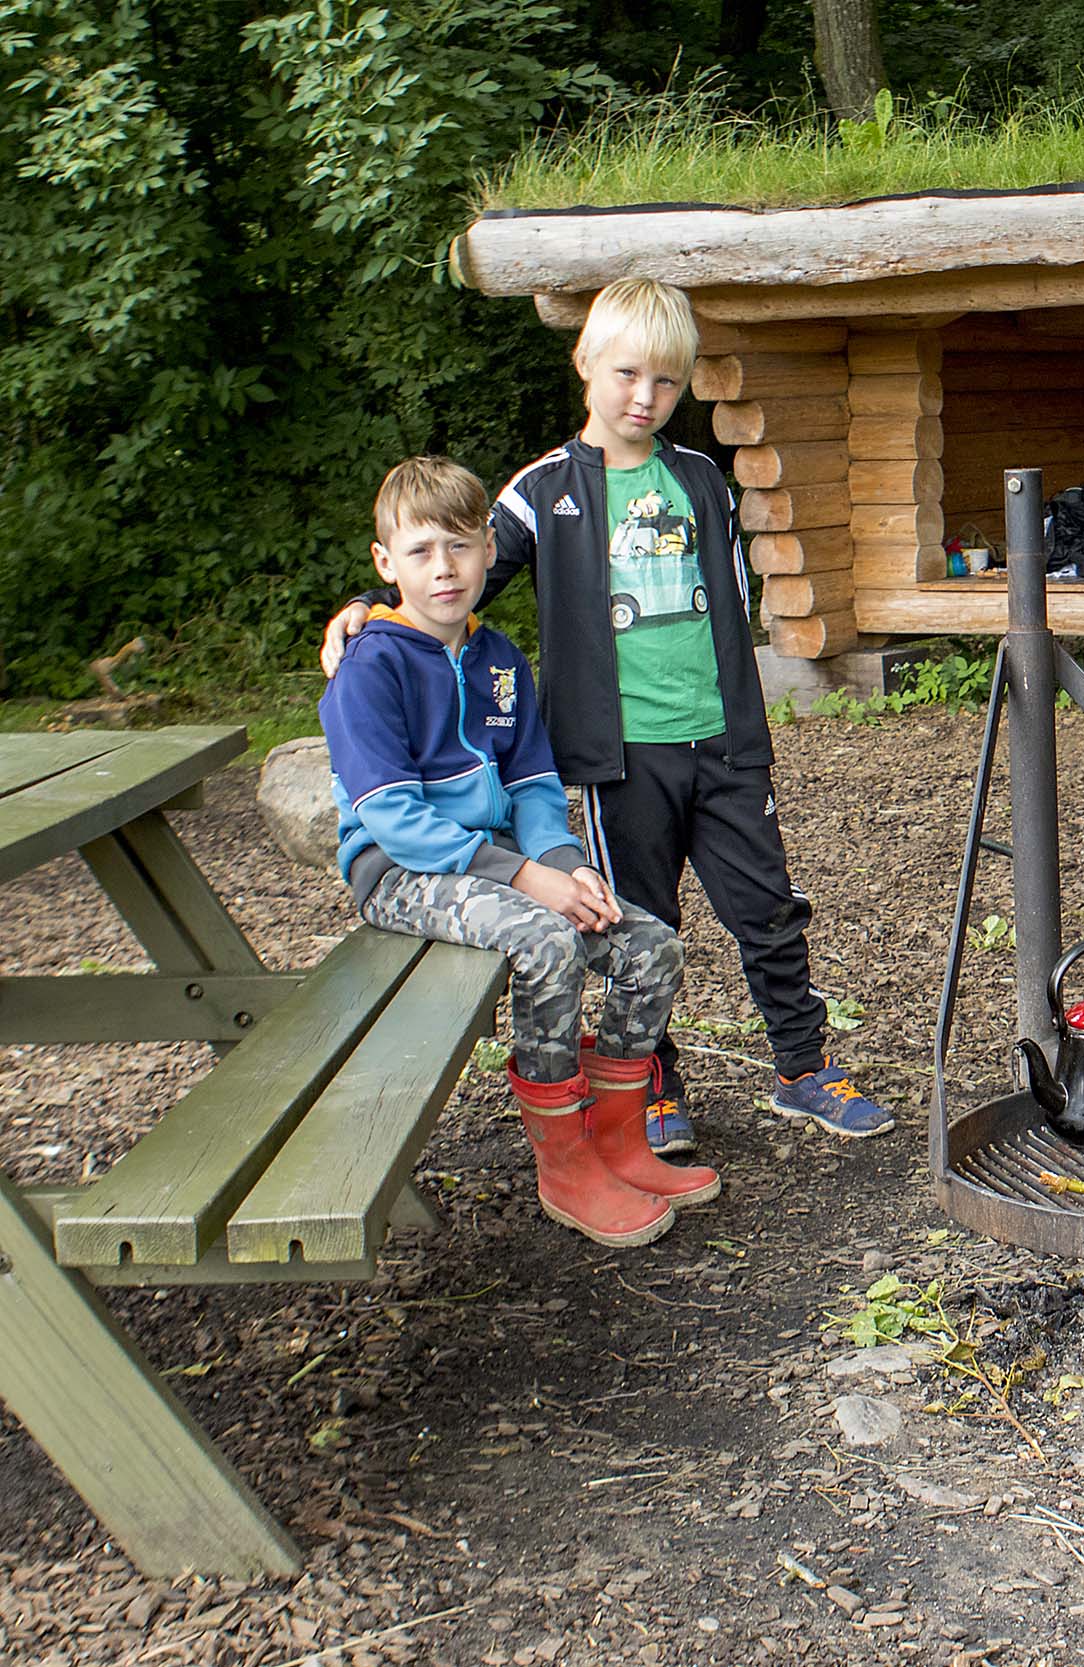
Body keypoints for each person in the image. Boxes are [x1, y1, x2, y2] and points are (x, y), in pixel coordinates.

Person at [321, 278, 892, 1152]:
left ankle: (803, 1068)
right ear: (585, 365)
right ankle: (654, 1083)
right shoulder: (544, 489)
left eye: (666, 382)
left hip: (724, 743)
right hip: (617, 759)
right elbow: (457, 574)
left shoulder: (700, 479)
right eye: (627, 374)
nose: (645, 398)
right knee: (639, 919)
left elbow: (729, 606)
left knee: (768, 908)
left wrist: (746, 720)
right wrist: (366, 605)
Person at [320, 456, 716, 1248]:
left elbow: (534, 786)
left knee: (649, 947)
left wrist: (567, 866)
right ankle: (563, 1159)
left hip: (500, 860)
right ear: (384, 562)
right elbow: (393, 818)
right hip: (400, 870)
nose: (445, 569)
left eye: (462, 547)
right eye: (423, 550)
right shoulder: (371, 667)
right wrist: (526, 878)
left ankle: (619, 1139)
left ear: (485, 551)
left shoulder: (500, 657)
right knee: (545, 939)